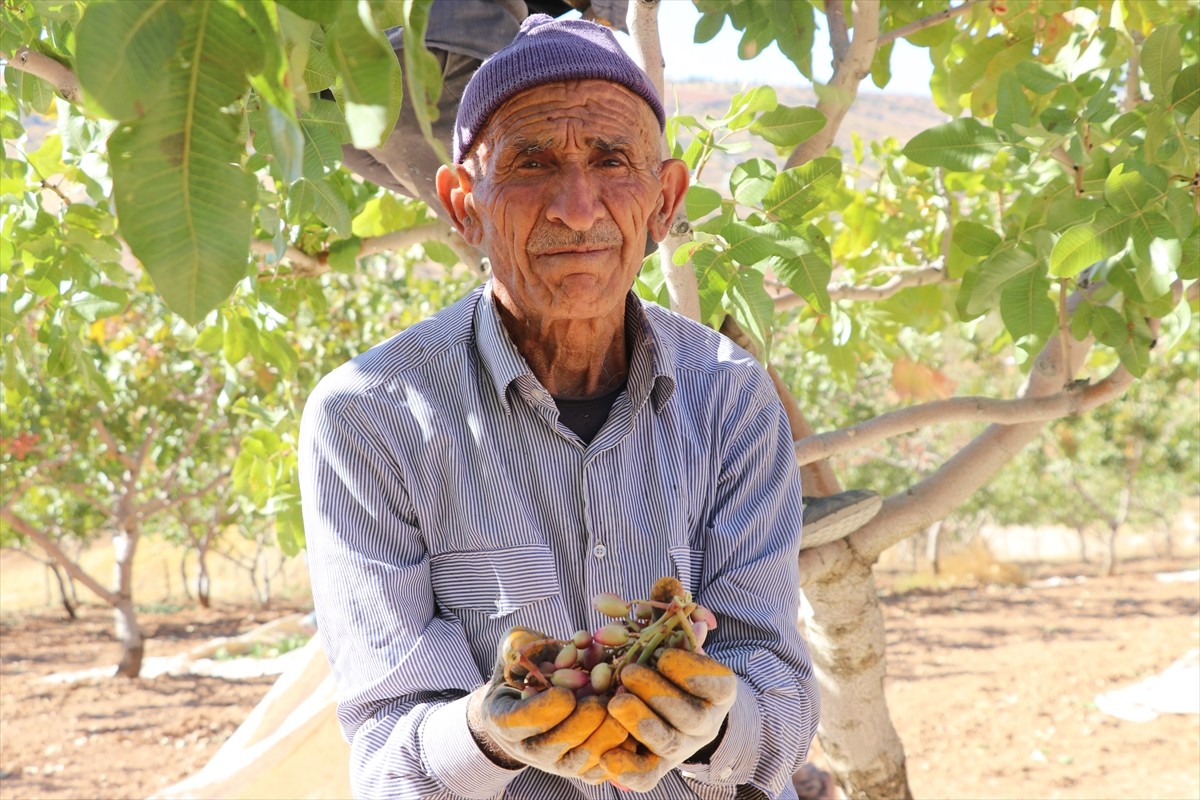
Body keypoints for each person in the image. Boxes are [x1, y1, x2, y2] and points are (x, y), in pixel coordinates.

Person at [300, 13, 825, 800]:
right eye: (531, 162)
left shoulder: (731, 395)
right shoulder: (370, 418)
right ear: (461, 204)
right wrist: (488, 732)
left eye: (613, 160)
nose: (577, 208)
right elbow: (386, 761)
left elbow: (779, 699)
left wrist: (714, 719)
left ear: (664, 201)